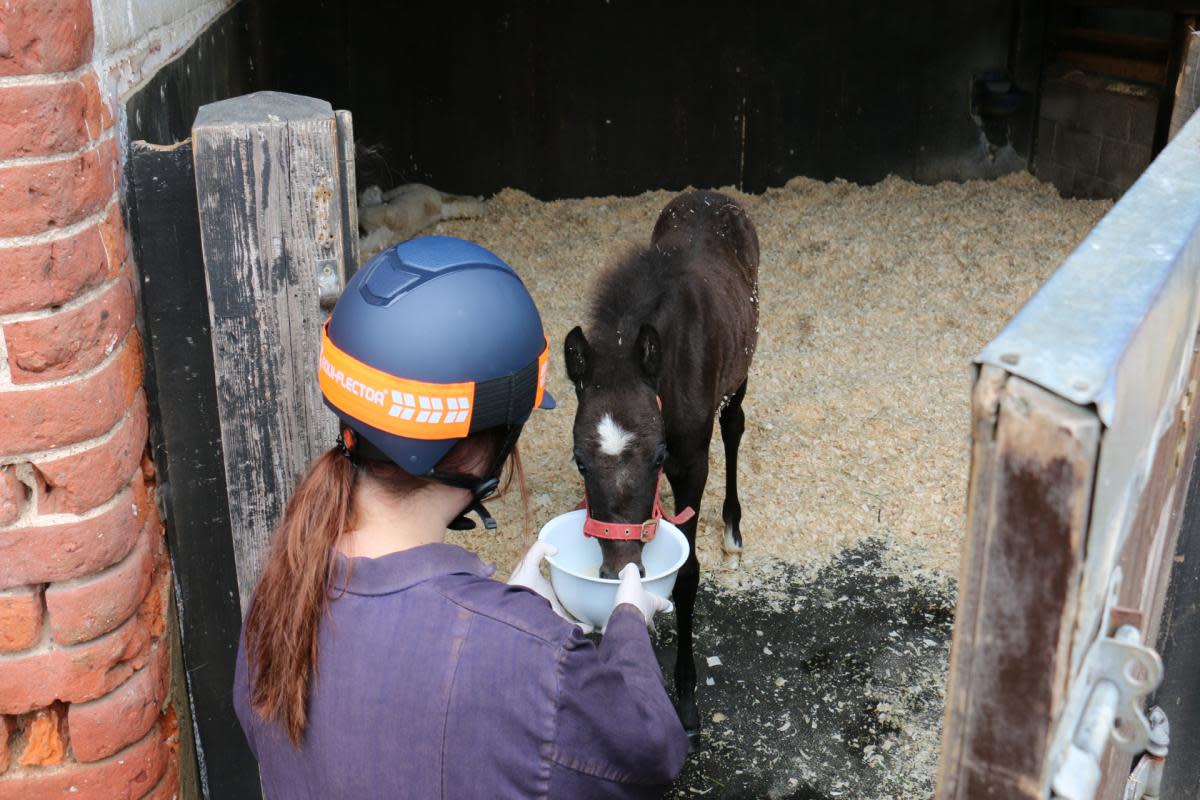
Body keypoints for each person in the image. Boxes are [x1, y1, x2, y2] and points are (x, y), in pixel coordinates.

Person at [234, 236, 690, 799]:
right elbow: (655, 751)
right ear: (485, 449)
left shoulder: (276, 599)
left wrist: (511, 607)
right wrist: (626, 622)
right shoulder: (533, 663)